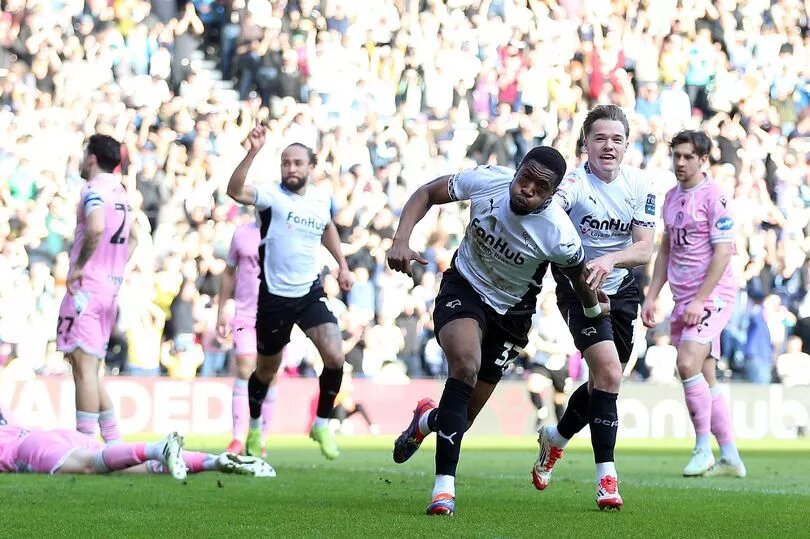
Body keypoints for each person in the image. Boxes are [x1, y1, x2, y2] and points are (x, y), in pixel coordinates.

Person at [386, 146, 610, 516]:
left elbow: (577, 275)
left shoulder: (560, 234)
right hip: (465, 287)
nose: (527, 189)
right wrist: (400, 238)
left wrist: (591, 307)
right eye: (525, 177)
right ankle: (444, 489)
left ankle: (426, 420)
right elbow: (426, 192)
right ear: (517, 169)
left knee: (463, 417)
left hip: (512, 315)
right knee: (465, 366)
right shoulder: (487, 180)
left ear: (552, 195)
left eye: (540, 187)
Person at [531, 105, 657, 510]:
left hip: (621, 289)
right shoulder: (572, 184)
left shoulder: (640, 184)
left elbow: (643, 247)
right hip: (578, 288)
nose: (608, 146)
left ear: (626, 144)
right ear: (585, 142)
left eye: (616, 139)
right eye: (600, 138)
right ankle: (607, 480)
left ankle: (556, 439)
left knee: (609, 378)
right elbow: (550, 215)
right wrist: (583, 268)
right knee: (607, 372)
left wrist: (609, 261)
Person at [226, 121, 353, 460]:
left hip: (309, 292)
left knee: (335, 356)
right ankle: (254, 428)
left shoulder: (320, 198)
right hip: (274, 298)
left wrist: (342, 264)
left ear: (311, 167)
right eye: (285, 162)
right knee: (267, 370)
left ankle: (322, 422)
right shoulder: (270, 196)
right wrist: (252, 152)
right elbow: (235, 191)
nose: (291, 168)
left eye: (297, 163)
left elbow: (327, 227)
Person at [641, 130, 746, 478]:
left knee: (686, 363)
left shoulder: (716, 198)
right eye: (676, 156)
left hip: (712, 296)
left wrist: (701, 299)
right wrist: (653, 294)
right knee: (705, 374)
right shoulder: (670, 197)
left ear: (703, 159)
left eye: (688, 157)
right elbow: (667, 249)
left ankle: (703, 449)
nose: (681, 163)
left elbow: (722, 253)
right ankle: (730, 455)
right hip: (684, 297)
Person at [56, 134, 134, 444]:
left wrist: (80, 266)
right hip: (109, 290)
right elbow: (136, 238)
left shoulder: (92, 190)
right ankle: (113, 443)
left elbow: (97, 225)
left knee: (83, 369)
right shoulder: (121, 192)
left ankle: (84, 444)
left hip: (87, 289)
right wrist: (112, 267)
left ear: (91, 158)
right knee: (90, 369)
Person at [0, 409, 275, 478]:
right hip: (48, 434)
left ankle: (157, 448)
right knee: (122, 464)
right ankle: (214, 461)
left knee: (89, 466)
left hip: (27, 450)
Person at [216, 217, 277, 457]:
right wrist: (222, 310)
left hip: (275, 314)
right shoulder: (241, 233)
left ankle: (260, 439)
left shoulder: (284, 230)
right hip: (244, 314)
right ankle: (237, 438)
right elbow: (229, 273)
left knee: (271, 375)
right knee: (245, 367)